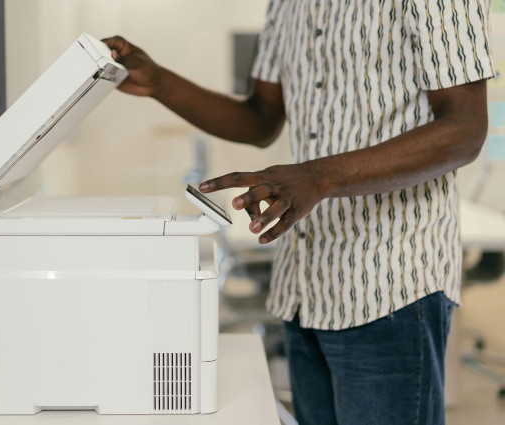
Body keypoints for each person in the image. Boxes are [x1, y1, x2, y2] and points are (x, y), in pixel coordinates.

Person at [103, 0, 493, 423]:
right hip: (306, 282)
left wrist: (317, 177)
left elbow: (464, 130)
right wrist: (159, 82)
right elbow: (260, 117)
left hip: (392, 282)